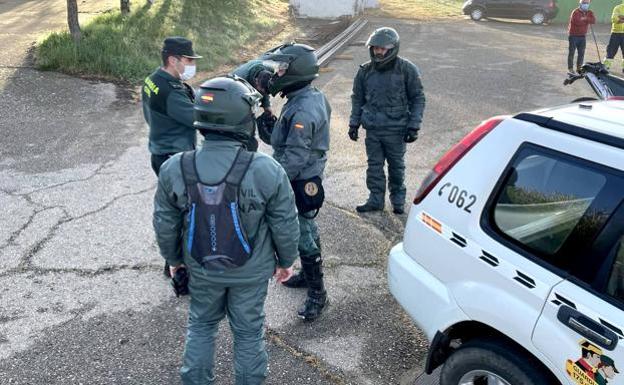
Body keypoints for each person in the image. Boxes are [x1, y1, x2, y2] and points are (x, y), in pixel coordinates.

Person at [153, 75, 300, 385]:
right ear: (242, 120)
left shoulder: (174, 167)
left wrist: (173, 259)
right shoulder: (266, 169)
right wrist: (286, 260)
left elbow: (166, 223)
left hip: (201, 268)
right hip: (251, 271)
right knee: (248, 332)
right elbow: (284, 222)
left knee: (202, 325)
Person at [260, 43, 331, 321]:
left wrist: (272, 183)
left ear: (296, 71)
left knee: (301, 230)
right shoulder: (308, 96)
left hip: (298, 179)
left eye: (282, 68)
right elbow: (297, 141)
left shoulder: (302, 108)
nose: (277, 73)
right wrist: (274, 126)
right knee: (308, 227)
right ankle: (308, 275)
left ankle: (318, 293)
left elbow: (295, 156)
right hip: (306, 175)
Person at [348, 27, 426, 215]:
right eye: (375, 48)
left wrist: (414, 126)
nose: (378, 51)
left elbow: (418, 98)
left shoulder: (407, 69)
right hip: (373, 129)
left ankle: (398, 200)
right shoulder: (365, 71)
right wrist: (353, 123)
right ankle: (375, 200)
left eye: (382, 48)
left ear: (392, 48)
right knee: (374, 167)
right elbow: (357, 98)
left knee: (396, 167)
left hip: (396, 130)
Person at [143, 36, 201, 277]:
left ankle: (174, 261)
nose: (191, 64)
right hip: (174, 157)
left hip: (159, 150)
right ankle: (178, 265)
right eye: (188, 60)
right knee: (183, 211)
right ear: (172, 60)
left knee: (172, 207)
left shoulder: (153, 80)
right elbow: (196, 117)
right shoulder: (170, 91)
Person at [230, 59, 276, 151]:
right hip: (232, 97)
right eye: (260, 90)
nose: (262, 93)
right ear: (256, 81)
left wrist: (267, 106)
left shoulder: (270, 71)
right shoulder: (238, 81)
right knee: (245, 124)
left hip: (250, 87)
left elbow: (265, 90)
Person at [567, 0, 595, 74]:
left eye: (587, 3)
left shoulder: (589, 12)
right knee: (571, 52)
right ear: (580, 4)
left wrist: (584, 18)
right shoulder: (575, 12)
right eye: (584, 3)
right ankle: (570, 68)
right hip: (573, 36)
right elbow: (577, 22)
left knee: (581, 53)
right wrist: (587, 19)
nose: (586, 5)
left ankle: (579, 68)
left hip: (582, 36)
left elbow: (593, 20)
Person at [604, 0, 624, 74]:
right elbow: (614, 19)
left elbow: (619, 19)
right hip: (616, 33)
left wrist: (621, 17)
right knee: (611, 51)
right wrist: (619, 18)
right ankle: (606, 66)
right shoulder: (618, 8)